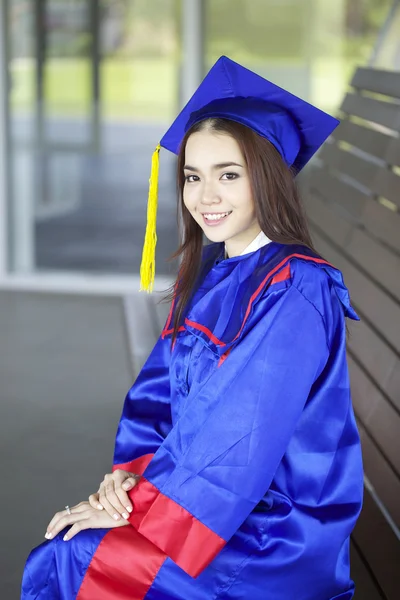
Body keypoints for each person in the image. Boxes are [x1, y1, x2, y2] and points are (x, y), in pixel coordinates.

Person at [21, 56, 363, 600]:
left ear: (269, 179)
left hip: (272, 530)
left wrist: (143, 511)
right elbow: (157, 397)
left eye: (229, 175)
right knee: (69, 551)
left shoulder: (295, 285)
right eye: (193, 177)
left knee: (70, 560)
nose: (205, 197)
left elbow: (239, 435)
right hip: (207, 503)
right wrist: (127, 484)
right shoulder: (216, 274)